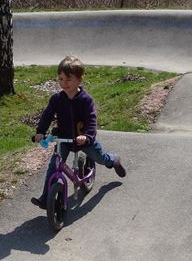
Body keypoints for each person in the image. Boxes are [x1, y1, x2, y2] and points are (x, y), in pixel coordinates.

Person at [31, 55, 126, 210]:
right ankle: (46, 197)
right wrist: (40, 132)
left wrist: (87, 136)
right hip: (64, 139)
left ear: (79, 80)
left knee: (99, 157)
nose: (63, 83)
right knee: (54, 166)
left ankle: (113, 160)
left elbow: (91, 119)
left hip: (83, 139)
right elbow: (47, 115)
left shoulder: (85, 100)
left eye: (68, 80)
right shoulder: (56, 99)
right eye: (60, 79)